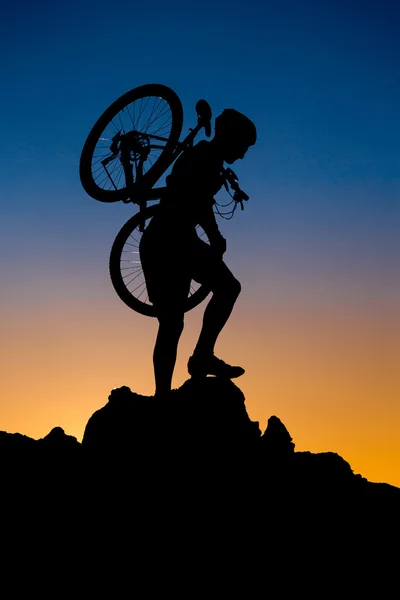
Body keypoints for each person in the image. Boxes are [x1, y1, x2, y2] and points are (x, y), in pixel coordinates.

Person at [139, 108, 257, 397]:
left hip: (169, 240)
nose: (242, 154)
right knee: (215, 295)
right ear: (230, 136)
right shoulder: (205, 157)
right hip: (170, 239)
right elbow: (199, 200)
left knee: (174, 321)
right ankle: (191, 367)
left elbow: (197, 199)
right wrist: (215, 236)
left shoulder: (208, 158)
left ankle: (169, 390)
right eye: (242, 146)